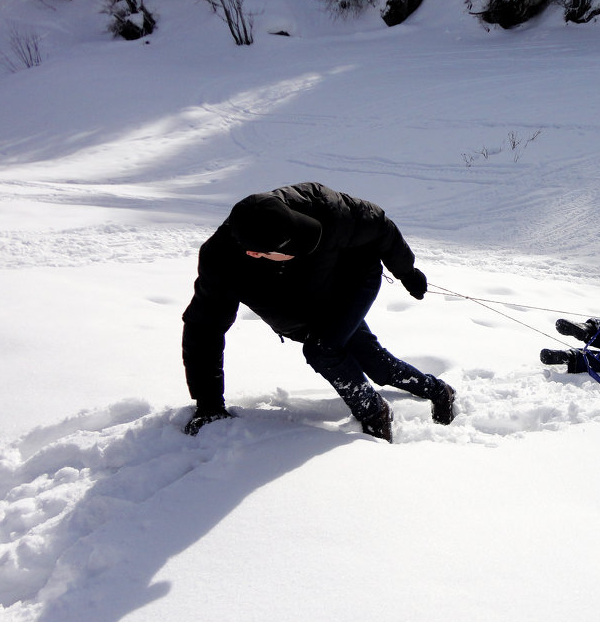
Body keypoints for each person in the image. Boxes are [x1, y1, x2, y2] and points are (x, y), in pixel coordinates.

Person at [181, 182, 456, 441]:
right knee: (373, 361)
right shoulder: (221, 265)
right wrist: (209, 404)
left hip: (354, 279)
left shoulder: (320, 204)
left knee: (322, 349)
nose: (304, 244)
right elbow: (204, 329)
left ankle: (375, 413)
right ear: (255, 253)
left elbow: (379, 226)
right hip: (305, 312)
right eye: (291, 248)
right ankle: (440, 391)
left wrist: (407, 272)